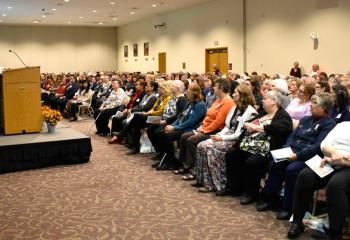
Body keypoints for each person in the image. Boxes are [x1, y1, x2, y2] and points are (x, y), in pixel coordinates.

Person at [257, 93, 336, 220]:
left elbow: (318, 146)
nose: (311, 105)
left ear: (324, 108)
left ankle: (288, 208)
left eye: (315, 103)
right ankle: (270, 200)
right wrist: (284, 150)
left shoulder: (329, 124)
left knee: (292, 170)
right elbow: (292, 137)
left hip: (309, 157)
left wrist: (297, 156)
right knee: (275, 163)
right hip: (292, 152)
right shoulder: (305, 119)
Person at [224, 90, 293, 203]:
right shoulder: (263, 113)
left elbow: (278, 128)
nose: (262, 100)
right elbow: (249, 122)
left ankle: (251, 193)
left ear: (274, 101)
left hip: (265, 149)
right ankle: (233, 187)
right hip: (249, 144)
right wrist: (248, 125)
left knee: (252, 162)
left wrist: (257, 128)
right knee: (231, 155)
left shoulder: (283, 116)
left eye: (265, 99)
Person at [288, 121, 350, 239]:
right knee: (305, 176)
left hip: (347, 166)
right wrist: (334, 153)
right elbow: (324, 144)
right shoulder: (343, 125)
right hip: (330, 159)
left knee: (336, 186)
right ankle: (297, 222)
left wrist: (342, 160)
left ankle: (334, 234)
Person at [193, 84, 257, 193]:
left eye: (235, 92)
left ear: (242, 95)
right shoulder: (234, 107)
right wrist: (219, 136)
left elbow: (240, 134)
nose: (233, 94)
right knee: (201, 145)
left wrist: (222, 138)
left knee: (208, 148)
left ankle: (216, 183)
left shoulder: (251, 112)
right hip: (227, 136)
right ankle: (202, 179)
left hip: (235, 140)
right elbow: (227, 126)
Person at [179, 78, 234, 180]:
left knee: (192, 140)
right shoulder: (218, 100)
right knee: (184, 136)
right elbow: (208, 116)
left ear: (221, 88)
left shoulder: (228, 102)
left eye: (215, 86)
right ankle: (186, 165)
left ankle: (195, 169)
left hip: (216, 131)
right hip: (207, 128)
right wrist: (202, 126)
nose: (213, 87)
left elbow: (219, 122)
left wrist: (204, 130)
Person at [151, 84, 207, 170]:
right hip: (181, 126)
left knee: (167, 135)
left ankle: (171, 163)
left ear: (194, 93)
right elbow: (180, 116)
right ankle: (166, 158)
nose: (186, 94)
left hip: (189, 129)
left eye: (188, 92)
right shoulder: (190, 103)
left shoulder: (200, 105)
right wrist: (172, 125)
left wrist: (175, 128)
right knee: (161, 132)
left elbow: (191, 122)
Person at [126, 81, 172, 154]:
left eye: (160, 88)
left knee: (137, 117)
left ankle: (126, 134)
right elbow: (153, 108)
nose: (159, 89)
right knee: (137, 123)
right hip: (152, 116)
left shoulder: (168, 98)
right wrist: (149, 112)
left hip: (158, 117)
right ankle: (135, 146)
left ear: (165, 89)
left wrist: (148, 113)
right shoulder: (160, 98)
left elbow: (160, 111)